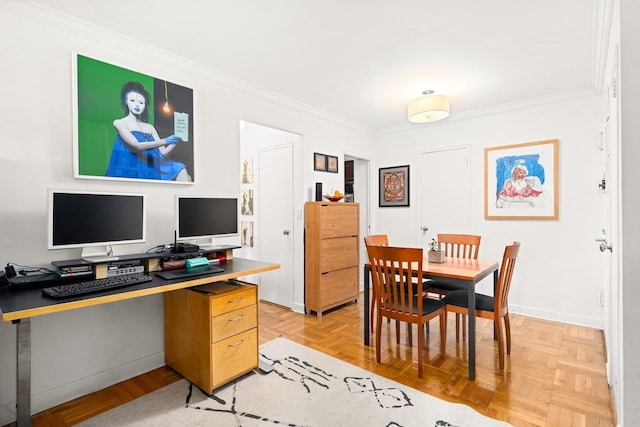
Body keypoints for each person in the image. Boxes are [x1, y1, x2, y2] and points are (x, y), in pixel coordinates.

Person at [106, 81, 191, 181]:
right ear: (126, 101)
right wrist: (165, 140)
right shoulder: (120, 123)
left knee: (181, 168)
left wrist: (175, 141)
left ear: (145, 105)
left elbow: (163, 154)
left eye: (141, 102)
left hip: (152, 165)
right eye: (132, 100)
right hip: (132, 166)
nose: (137, 105)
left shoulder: (149, 127)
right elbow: (136, 145)